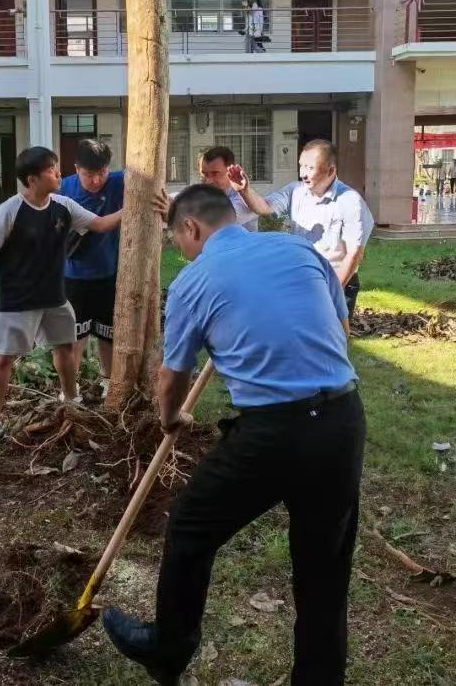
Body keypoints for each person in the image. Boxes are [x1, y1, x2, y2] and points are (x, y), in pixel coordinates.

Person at [101, 184, 365, 686]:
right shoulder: (297, 249)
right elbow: (340, 328)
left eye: (177, 240)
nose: (181, 250)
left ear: (191, 227)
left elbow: (172, 377)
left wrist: (170, 419)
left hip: (274, 432)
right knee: (324, 566)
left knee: (191, 524)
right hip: (342, 418)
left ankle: (168, 647)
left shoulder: (193, 281)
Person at [0, 147, 123, 444]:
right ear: (32, 179)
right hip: (16, 299)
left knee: (64, 348)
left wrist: (134, 206)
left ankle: (71, 400)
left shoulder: (64, 205)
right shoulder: (10, 209)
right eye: (52, 170)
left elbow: (101, 224)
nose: (59, 174)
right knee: (4, 359)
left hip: (54, 296)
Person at [231, 139, 374, 317]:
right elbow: (265, 207)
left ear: (331, 170)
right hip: (302, 276)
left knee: (333, 332)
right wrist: (244, 191)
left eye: (310, 168)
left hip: (337, 279)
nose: (303, 174)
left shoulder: (350, 201)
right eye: (301, 166)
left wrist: (331, 293)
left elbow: (354, 255)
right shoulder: (295, 191)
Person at [60, 139, 125, 391]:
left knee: (108, 333)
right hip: (73, 276)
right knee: (75, 335)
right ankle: (70, 389)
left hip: (109, 274)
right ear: (77, 168)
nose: (97, 180)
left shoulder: (119, 181)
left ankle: (109, 383)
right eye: (89, 175)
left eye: (102, 172)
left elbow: (147, 178)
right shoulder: (64, 188)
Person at [196, 146, 259, 230]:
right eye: (204, 174)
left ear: (230, 171)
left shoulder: (245, 198)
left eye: (215, 174)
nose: (208, 181)